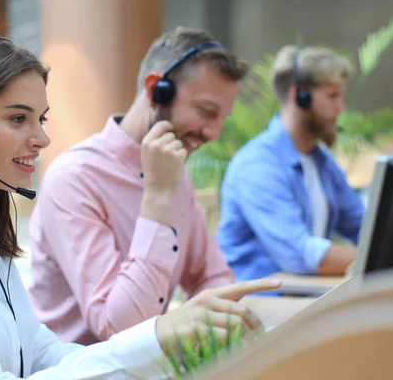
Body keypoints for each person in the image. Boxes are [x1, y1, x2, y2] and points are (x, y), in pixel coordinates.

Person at [0, 34, 280, 380]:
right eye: (18, 119)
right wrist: (155, 339)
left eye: (41, 119)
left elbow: (40, 354)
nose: (42, 138)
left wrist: (159, 352)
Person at [27, 27, 258, 345]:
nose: (214, 133)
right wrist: (159, 196)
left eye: (222, 118)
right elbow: (118, 328)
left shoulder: (175, 170)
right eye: (206, 112)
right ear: (155, 90)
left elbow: (213, 278)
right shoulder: (74, 178)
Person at [216, 45, 366, 284]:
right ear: (300, 96)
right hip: (259, 307)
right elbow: (299, 255)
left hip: (300, 299)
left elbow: (363, 224)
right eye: (332, 96)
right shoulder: (258, 165)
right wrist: (382, 259)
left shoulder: (321, 161)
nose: (341, 107)